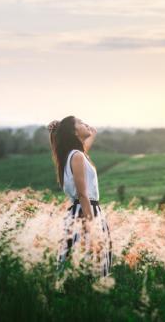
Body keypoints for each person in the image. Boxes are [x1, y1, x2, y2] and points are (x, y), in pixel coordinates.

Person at [48, 116, 113, 277]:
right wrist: (92, 227)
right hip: (85, 211)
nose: (86, 124)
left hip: (82, 210)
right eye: (80, 122)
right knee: (88, 262)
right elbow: (83, 195)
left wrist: (58, 128)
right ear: (74, 131)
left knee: (80, 262)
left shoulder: (76, 154)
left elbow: (93, 132)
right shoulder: (77, 156)